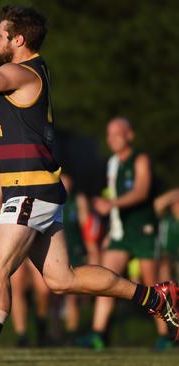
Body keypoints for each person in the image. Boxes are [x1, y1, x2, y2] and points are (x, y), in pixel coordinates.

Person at [0, 5, 179, 365]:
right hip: (40, 190)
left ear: (19, 40)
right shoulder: (34, 72)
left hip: (28, 191)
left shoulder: (18, 72)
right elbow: (25, 127)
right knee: (63, 278)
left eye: (1, 34)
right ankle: (156, 298)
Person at [77, 117, 169, 351]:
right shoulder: (112, 163)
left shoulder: (140, 159)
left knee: (152, 283)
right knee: (105, 279)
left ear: (129, 135)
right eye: (109, 134)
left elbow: (141, 191)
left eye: (117, 134)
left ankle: (165, 334)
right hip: (120, 233)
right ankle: (98, 333)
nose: (112, 139)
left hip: (143, 229)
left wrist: (112, 204)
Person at [0, 167, 50, 347]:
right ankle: (22, 333)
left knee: (45, 287)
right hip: (13, 230)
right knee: (16, 284)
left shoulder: (35, 162)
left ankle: (41, 326)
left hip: (36, 229)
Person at [59, 173, 101, 342]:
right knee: (62, 298)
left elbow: (87, 226)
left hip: (76, 251)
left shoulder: (78, 200)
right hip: (58, 252)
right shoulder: (49, 200)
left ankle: (80, 332)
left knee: (77, 296)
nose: (65, 181)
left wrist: (92, 252)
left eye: (67, 177)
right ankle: (62, 333)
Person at [155, 189, 179, 282]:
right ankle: (167, 293)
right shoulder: (166, 218)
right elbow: (157, 205)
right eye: (175, 202)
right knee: (163, 265)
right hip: (165, 256)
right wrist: (174, 194)